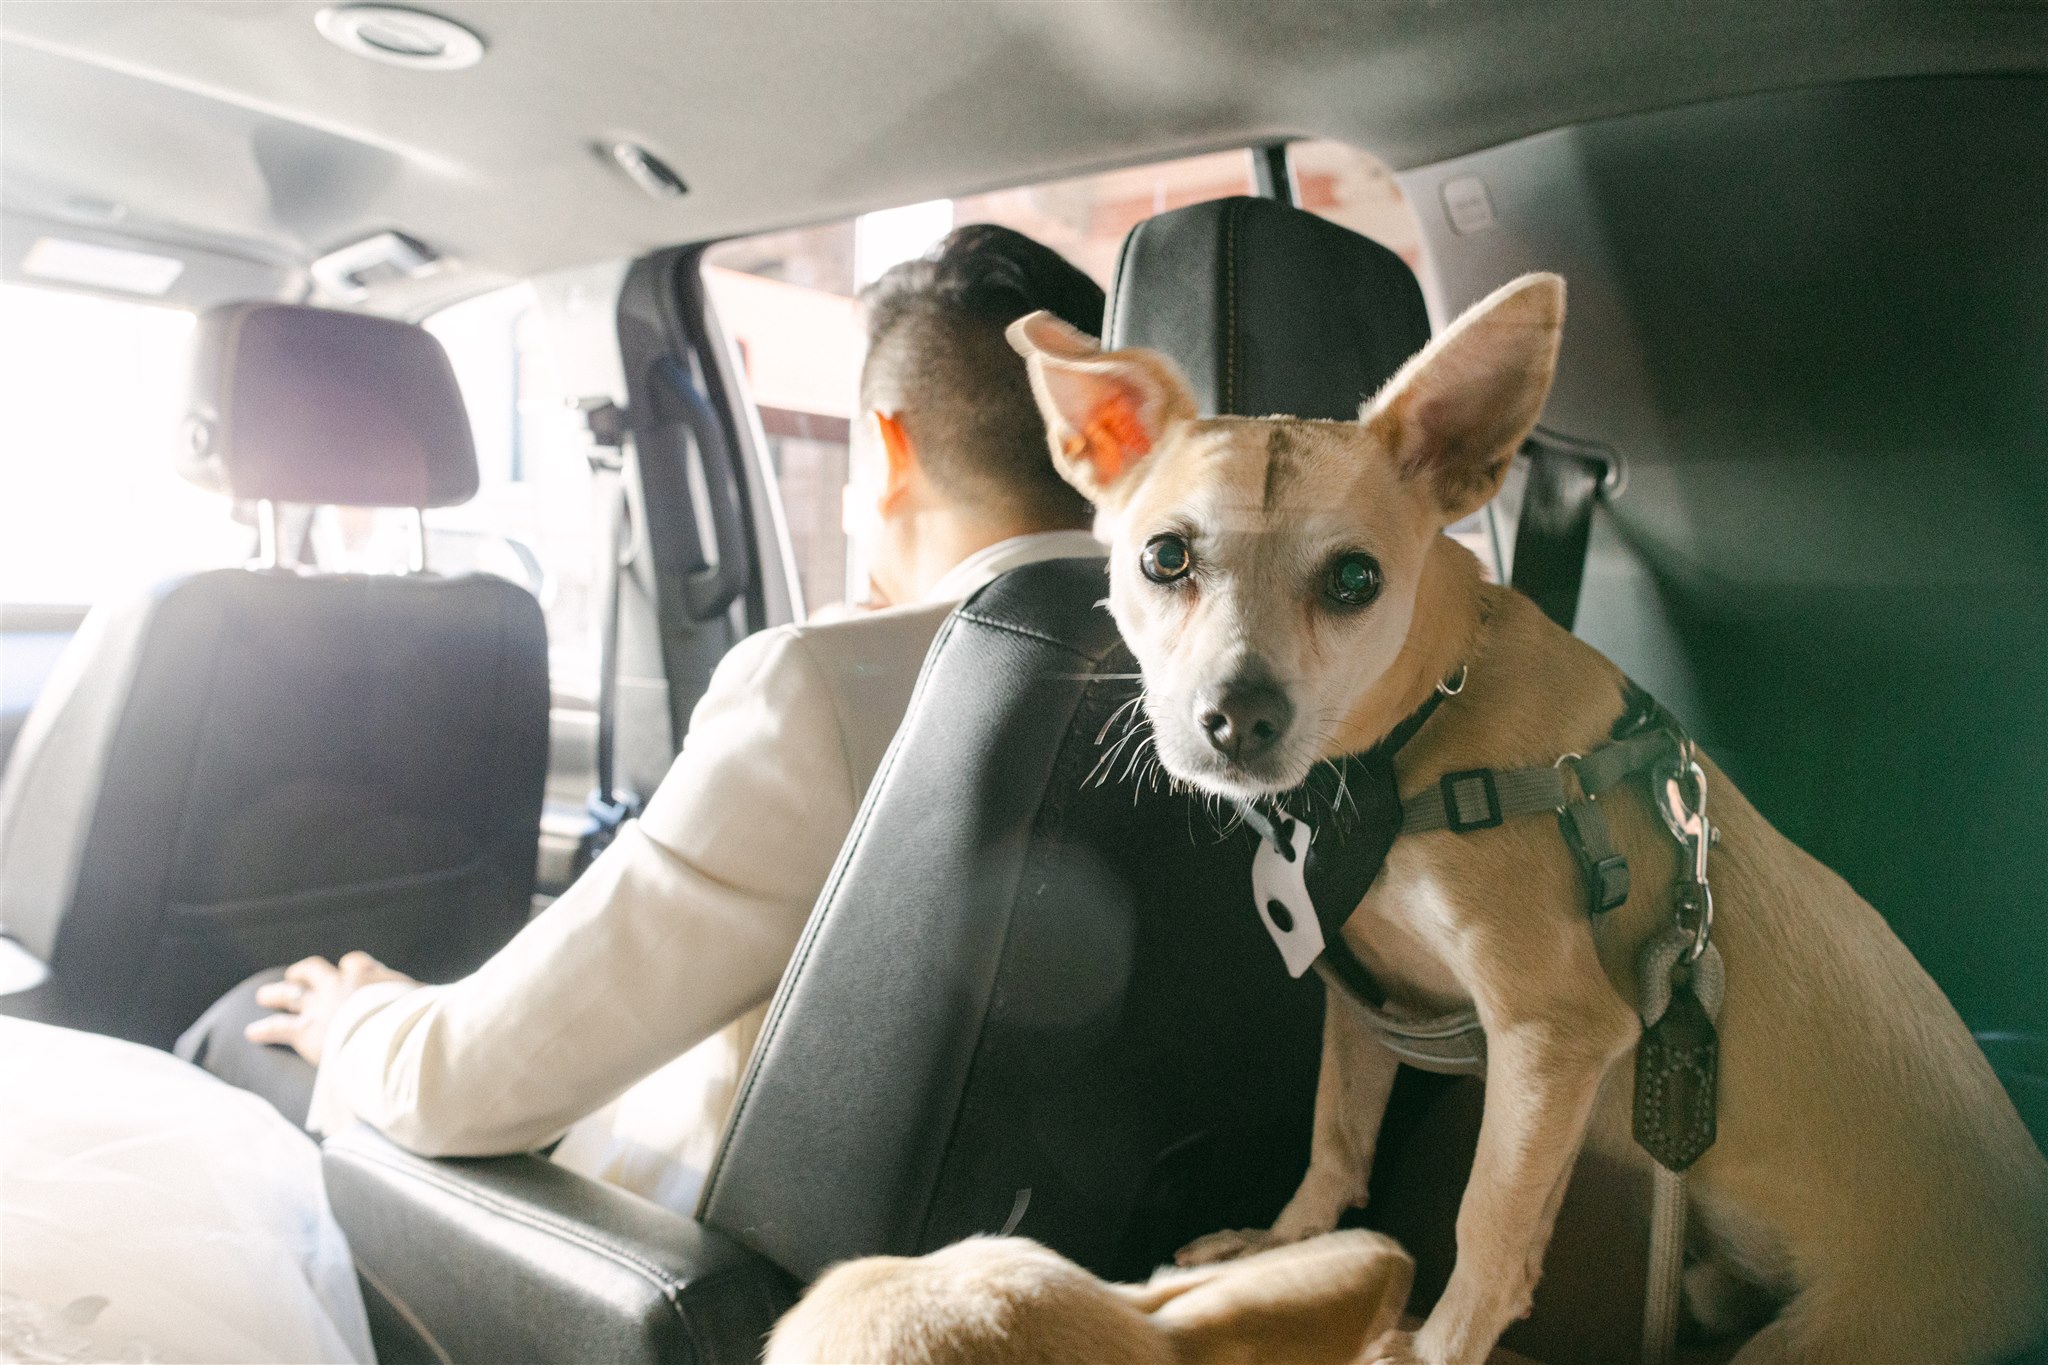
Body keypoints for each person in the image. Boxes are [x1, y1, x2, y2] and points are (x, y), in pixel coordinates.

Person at [192, 225, 1108, 1213]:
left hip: (661, 1278)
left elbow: (452, 1090)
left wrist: (363, 1015)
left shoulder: (823, 688)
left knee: (247, 1023)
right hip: (1039, 1254)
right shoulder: (1203, 689)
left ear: (886, 448)